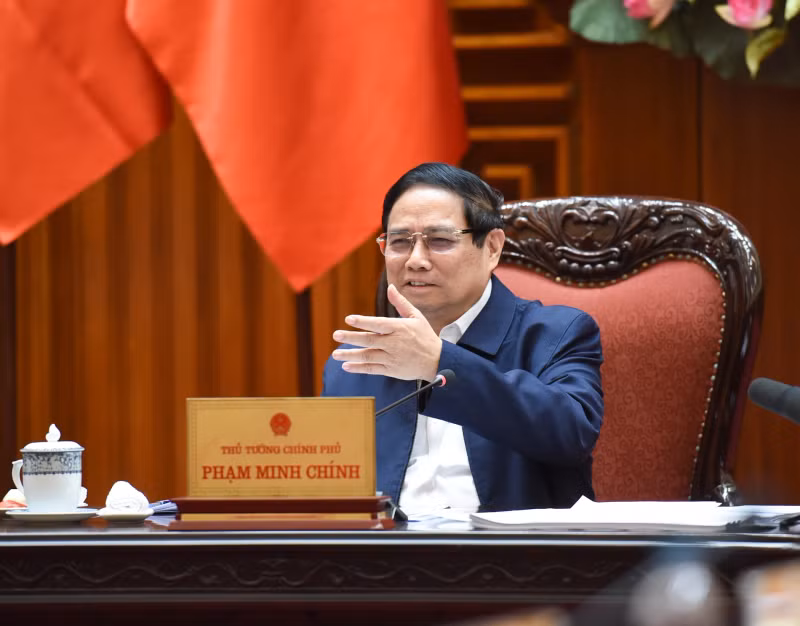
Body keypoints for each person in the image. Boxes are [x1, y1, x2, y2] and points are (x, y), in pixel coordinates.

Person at [322, 162, 603, 514]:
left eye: (439, 241)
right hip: (385, 560)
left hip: (514, 559)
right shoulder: (357, 360)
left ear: (492, 249)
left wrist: (439, 360)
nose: (416, 260)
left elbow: (571, 435)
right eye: (399, 242)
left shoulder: (555, 334)